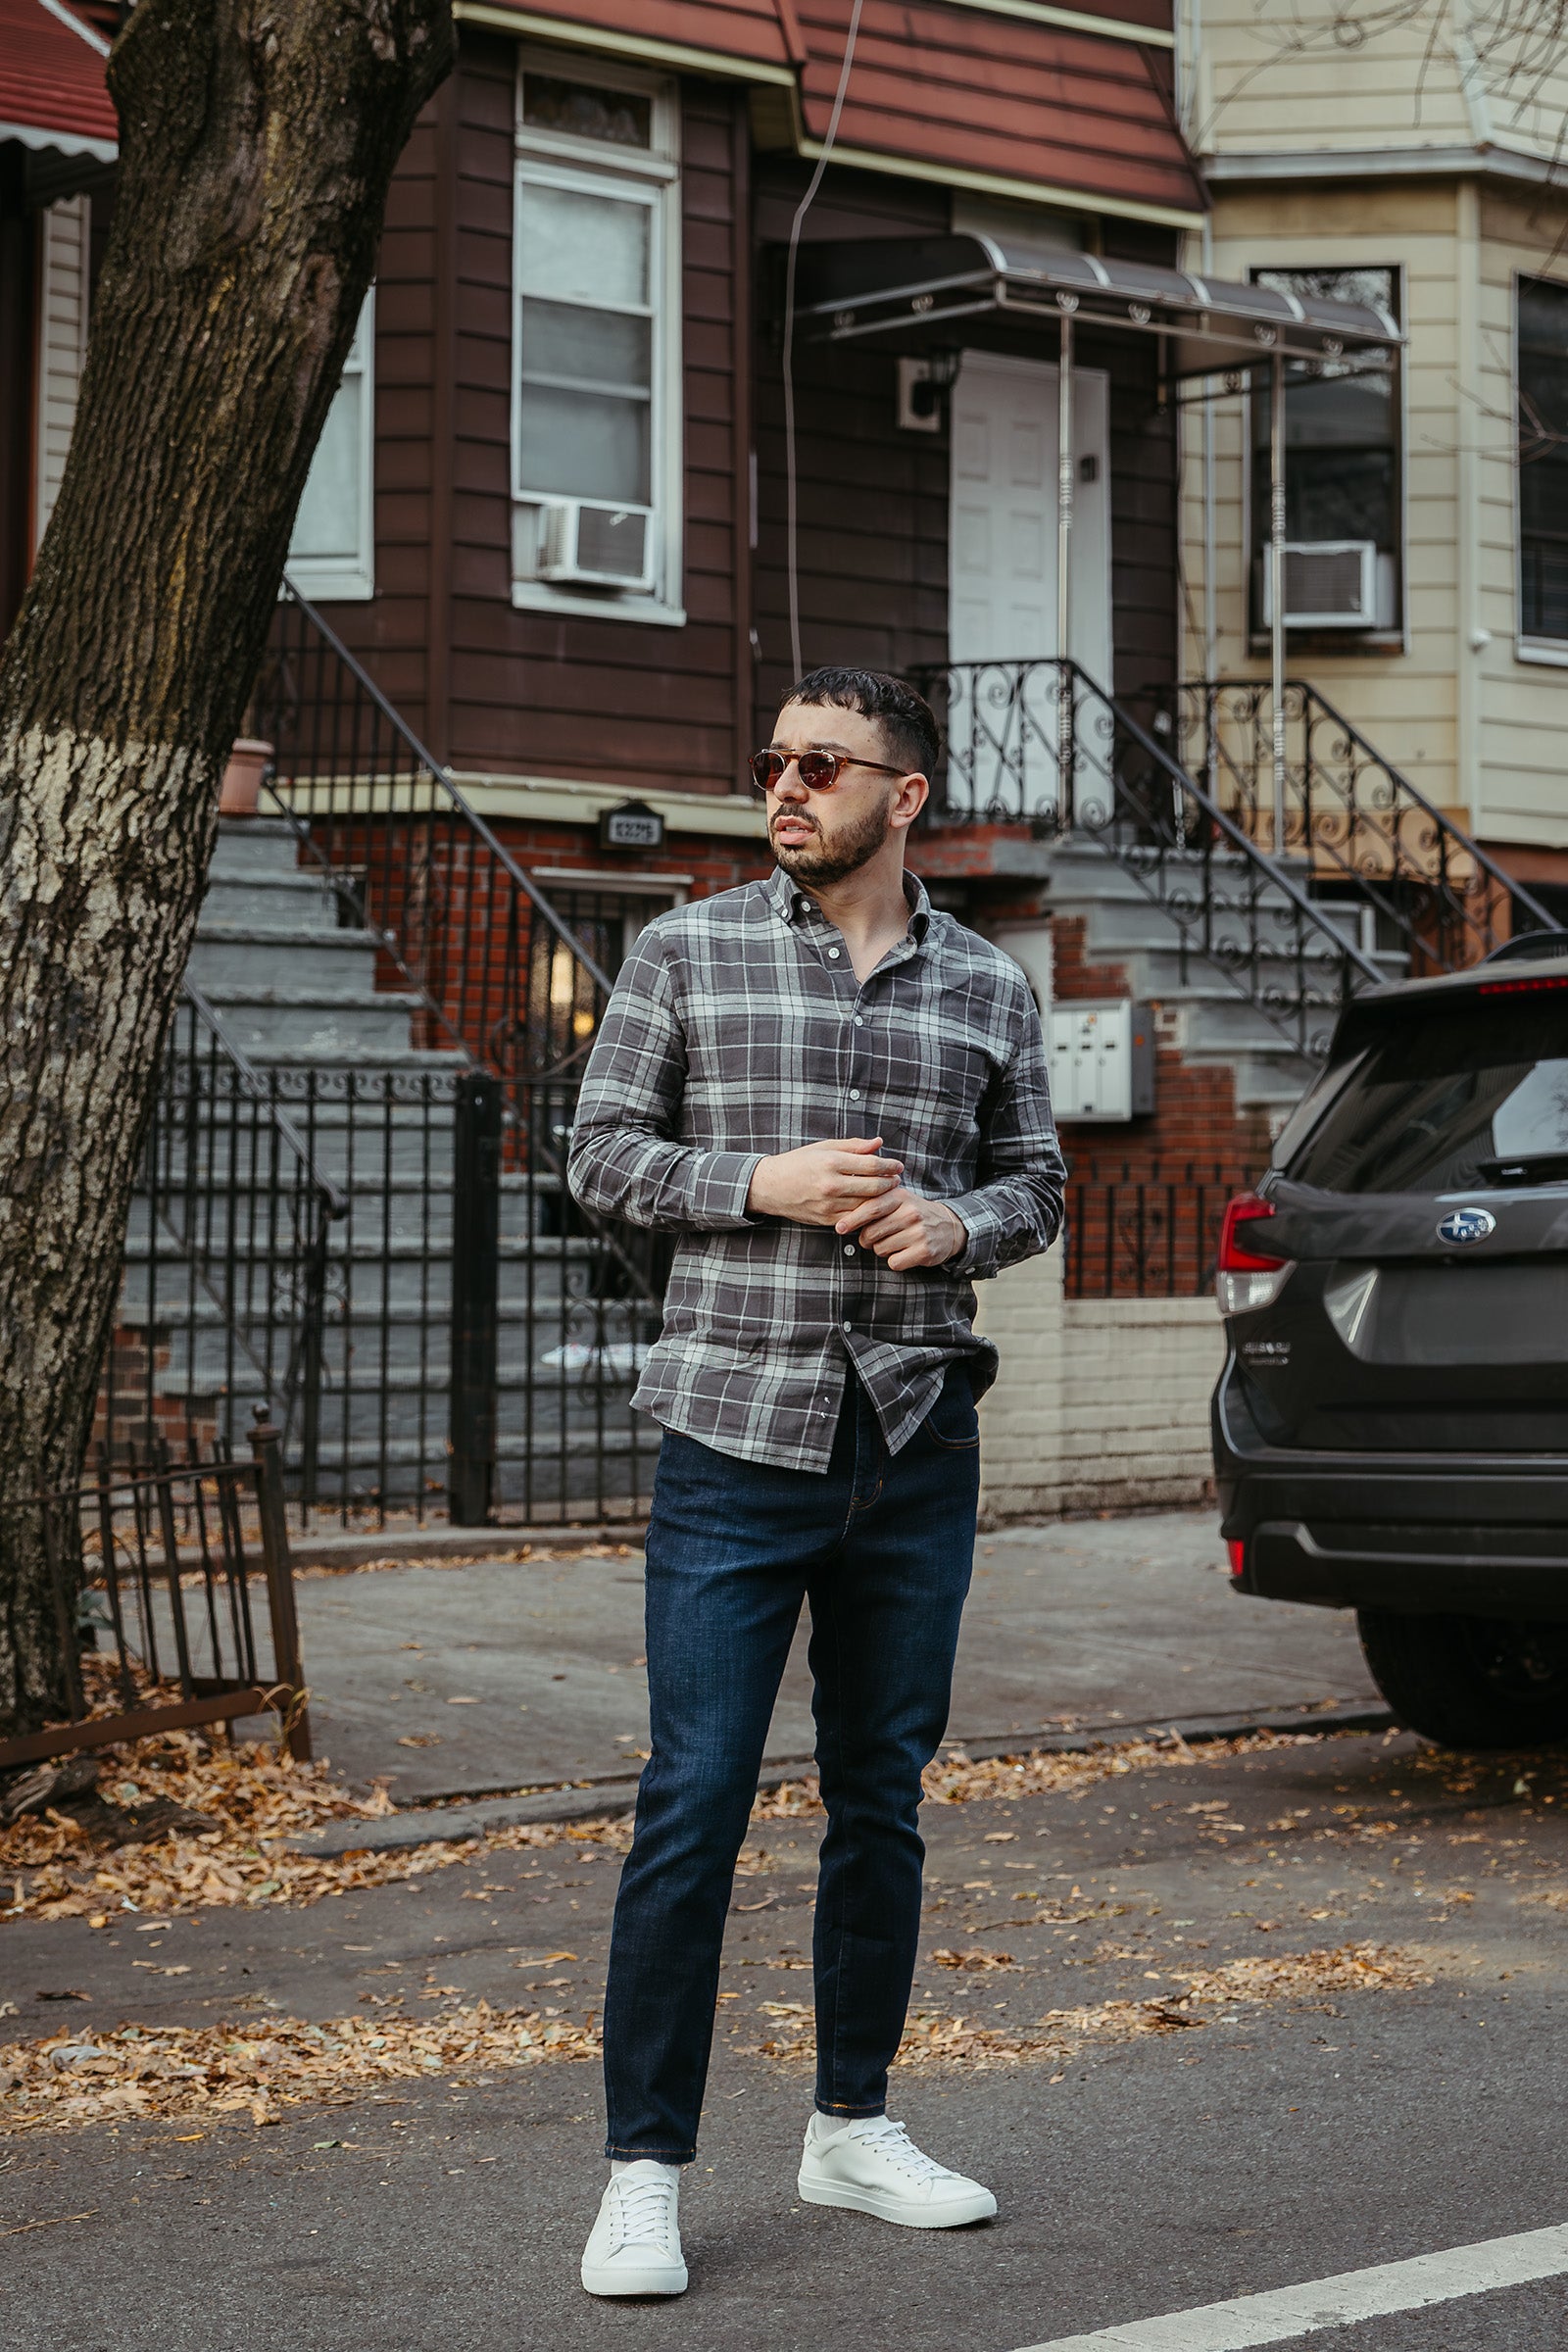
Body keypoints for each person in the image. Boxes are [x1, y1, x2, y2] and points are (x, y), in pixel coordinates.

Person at [566, 665, 1065, 2298]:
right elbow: (600, 1156)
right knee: (693, 1802)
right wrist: (760, 1181)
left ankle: (853, 2126)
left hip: (914, 1440)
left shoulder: (987, 985)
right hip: (732, 1435)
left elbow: (1037, 1179)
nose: (785, 786)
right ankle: (644, 2171)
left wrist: (964, 1225)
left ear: (902, 795)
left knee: (882, 1797)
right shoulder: (685, 952)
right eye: (772, 761)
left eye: (823, 765)